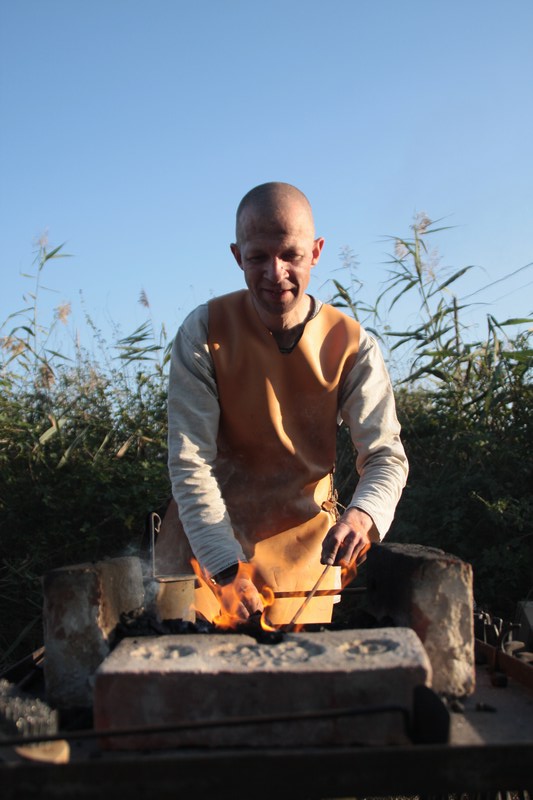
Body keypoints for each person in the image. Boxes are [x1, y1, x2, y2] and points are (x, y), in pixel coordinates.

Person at [155, 181, 408, 626]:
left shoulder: (351, 344)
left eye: (291, 255)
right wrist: (224, 566)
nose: (275, 274)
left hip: (304, 565)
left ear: (316, 252)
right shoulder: (203, 332)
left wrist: (361, 517)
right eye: (258, 257)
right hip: (203, 554)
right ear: (238, 256)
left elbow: (385, 455)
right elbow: (190, 461)